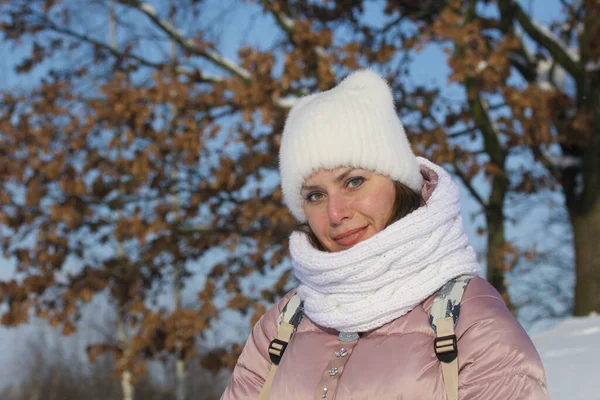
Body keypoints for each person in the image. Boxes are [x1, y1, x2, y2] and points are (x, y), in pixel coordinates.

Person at [221, 70, 549, 399]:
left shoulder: (469, 319)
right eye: (315, 196)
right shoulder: (283, 324)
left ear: (397, 182)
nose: (336, 214)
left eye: (353, 182)